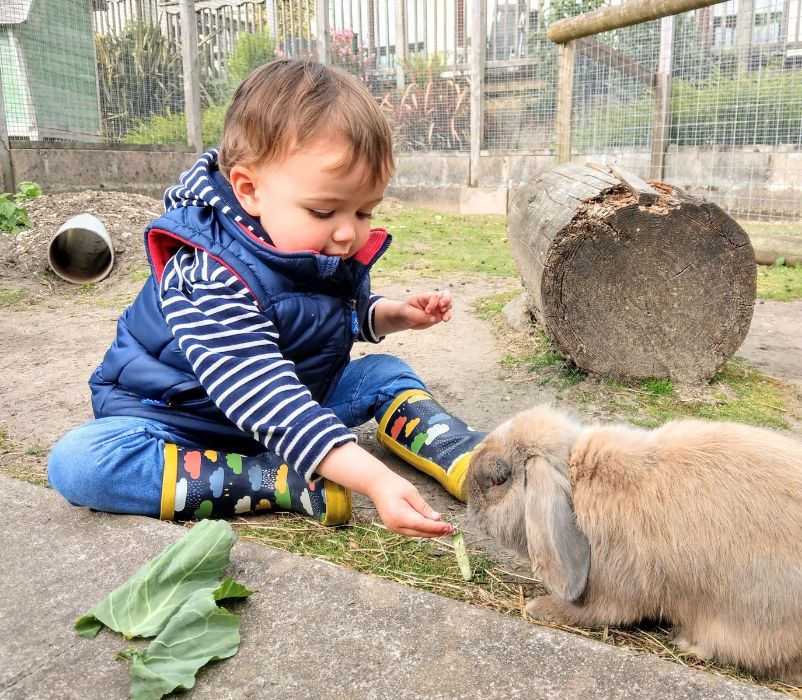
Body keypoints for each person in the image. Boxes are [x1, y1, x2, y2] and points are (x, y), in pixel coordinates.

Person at [47, 59, 484, 538]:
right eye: (324, 210)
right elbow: (260, 389)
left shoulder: (301, 238)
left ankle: (465, 457)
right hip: (184, 421)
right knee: (82, 463)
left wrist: (388, 315)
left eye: (364, 211)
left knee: (383, 374)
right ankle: (277, 479)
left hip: (290, 405)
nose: (347, 233)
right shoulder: (208, 273)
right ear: (249, 190)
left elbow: (320, 315)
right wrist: (374, 478)